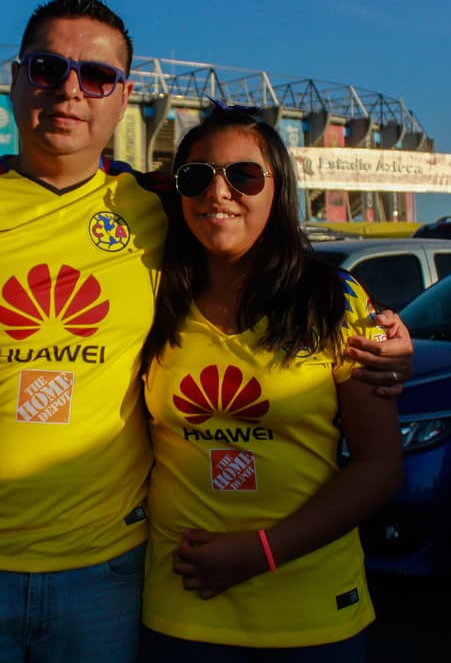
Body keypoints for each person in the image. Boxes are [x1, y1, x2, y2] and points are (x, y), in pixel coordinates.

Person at [0, 0, 413, 662]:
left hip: (105, 572)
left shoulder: (161, 205)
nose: (70, 90)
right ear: (15, 79)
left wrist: (386, 334)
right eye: (47, 67)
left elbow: (261, 247)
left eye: (96, 76)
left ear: (123, 96)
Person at [136, 106, 404, 661]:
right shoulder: (153, 300)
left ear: (278, 190)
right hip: (181, 612)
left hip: (310, 618)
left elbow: (380, 468)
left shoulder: (338, 301)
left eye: (243, 176)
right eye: (196, 177)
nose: (219, 192)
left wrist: (261, 552)